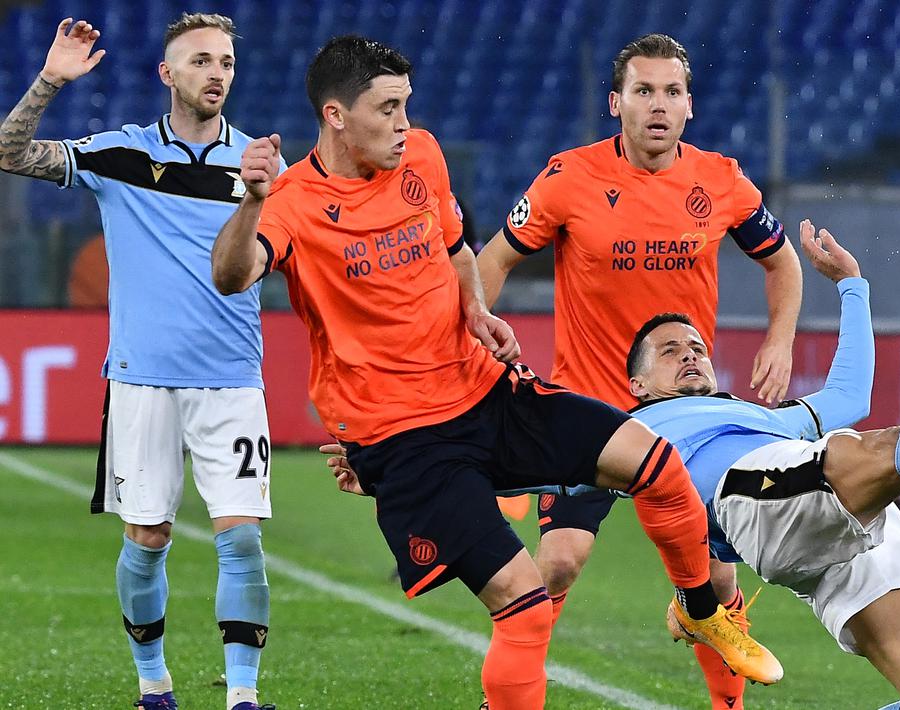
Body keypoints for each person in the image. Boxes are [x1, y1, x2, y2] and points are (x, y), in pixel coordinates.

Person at [209, 35, 780, 709]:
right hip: (406, 438)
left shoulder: (422, 156)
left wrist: (477, 310)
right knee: (527, 607)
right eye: (388, 109)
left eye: (406, 105)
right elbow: (232, 275)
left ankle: (700, 610)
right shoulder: (293, 201)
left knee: (658, 465)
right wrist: (251, 201)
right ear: (336, 116)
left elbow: (455, 250)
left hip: (487, 392)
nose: (404, 124)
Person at [621, 224, 900, 709]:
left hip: (839, 532)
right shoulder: (628, 431)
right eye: (670, 351)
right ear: (638, 385)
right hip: (755, 493)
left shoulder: (764, 418)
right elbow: (568, 472)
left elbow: (850, 396)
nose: (690, 355)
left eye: (697, 348)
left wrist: (851, 284)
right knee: (862, 452)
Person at [476, 33, 804, 707]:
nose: (658, 105)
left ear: (689, 105)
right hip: (588, 411)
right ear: (615, 103)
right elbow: (495, 258)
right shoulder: (568, 178)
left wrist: (780, 340)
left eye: (672, 92)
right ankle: (505, 698)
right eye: (643, 91)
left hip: (683, 418)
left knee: (713, 583)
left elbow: (782, 261)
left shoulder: (720, 180)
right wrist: (477, 338)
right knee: (558, 563)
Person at [0, 14, 279, 710]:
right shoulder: (119, 153)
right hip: (142, 379)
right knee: (148, 538)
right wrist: (50, 81)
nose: (216, 73)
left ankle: (242, 697)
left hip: (232, 381)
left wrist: (261, 194)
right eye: (200, 61)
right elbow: (10, 153)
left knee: (242, 539)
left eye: (226, 62)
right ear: (167, 74)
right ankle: (154, 686)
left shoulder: (258, 167)